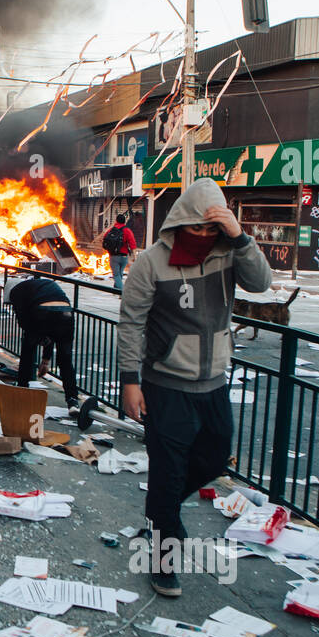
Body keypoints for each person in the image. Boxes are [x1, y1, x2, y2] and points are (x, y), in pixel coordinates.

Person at [117, 178, 273, 598]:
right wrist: (130, 382)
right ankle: (163, 560)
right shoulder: (151, 262)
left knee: (214, 458)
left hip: (214, 384)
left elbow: (262, 283)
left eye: (211, 229)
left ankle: (160, 512)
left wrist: (239, 236)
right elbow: (131, 323)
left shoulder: (228, 254)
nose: (203, 236)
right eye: (196, 227)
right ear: (180, 221)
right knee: (168, 471)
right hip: (165, 385)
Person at [4, 275, 79, 407]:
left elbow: (23, 320)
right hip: (66, 313)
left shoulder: (17, 291)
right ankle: (72, 399)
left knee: (28, 351)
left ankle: (22, 389)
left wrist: (37, 337)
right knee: (65, 359)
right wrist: (45, 360)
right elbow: (51, 330)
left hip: (42, 313)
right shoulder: (38, 285)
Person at [101, 213, 137, 290]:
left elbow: (104, 238)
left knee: (116, 275)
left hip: (113, 256)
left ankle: (122, 292)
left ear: (116, 220)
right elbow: (132, 244)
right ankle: (116, 288)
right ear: (125, 221)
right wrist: (135, 256)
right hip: (124, 256)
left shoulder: (111, 230)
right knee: (120, 273)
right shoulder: (127, 230)